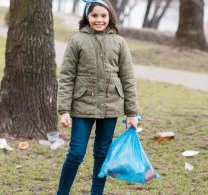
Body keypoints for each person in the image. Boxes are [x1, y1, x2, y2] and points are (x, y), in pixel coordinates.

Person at [56, 0, 139, 194]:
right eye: (94, 16)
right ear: (87, 17)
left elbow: (128, 78)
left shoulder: (119, 42)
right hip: (82, 106)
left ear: (110, 17)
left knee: (102, 154)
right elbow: (67, 76)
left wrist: (132, 113)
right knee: (76, 154)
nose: (99, 20)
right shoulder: (77, 40)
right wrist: (64, 110)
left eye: (103, 16)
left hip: (110, 107)